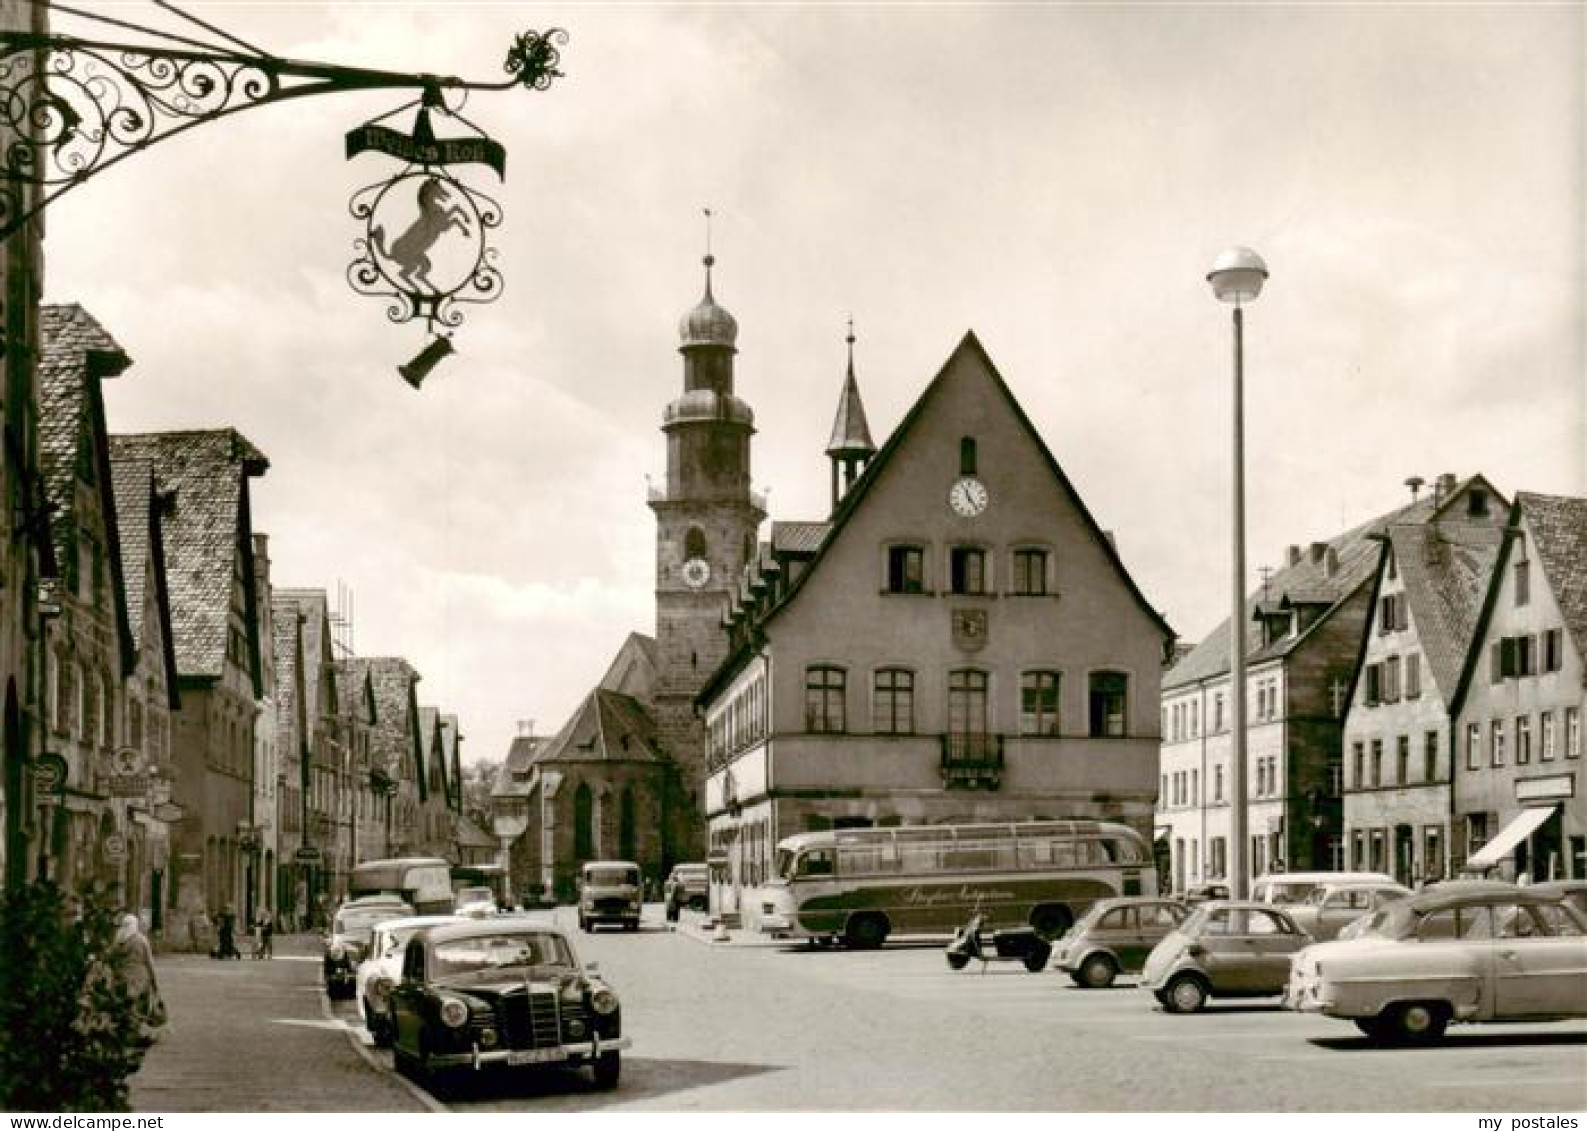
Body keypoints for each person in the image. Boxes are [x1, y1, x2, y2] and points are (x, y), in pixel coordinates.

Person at [116, 913, 167, 1041]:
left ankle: (124, 1031)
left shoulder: (118, 940)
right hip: (140, 979)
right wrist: (155, 983)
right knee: (139, 1006)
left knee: (125, 1005)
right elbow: (149, 962)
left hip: (122, 979)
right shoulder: (141, 940)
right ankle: (134, 1032)